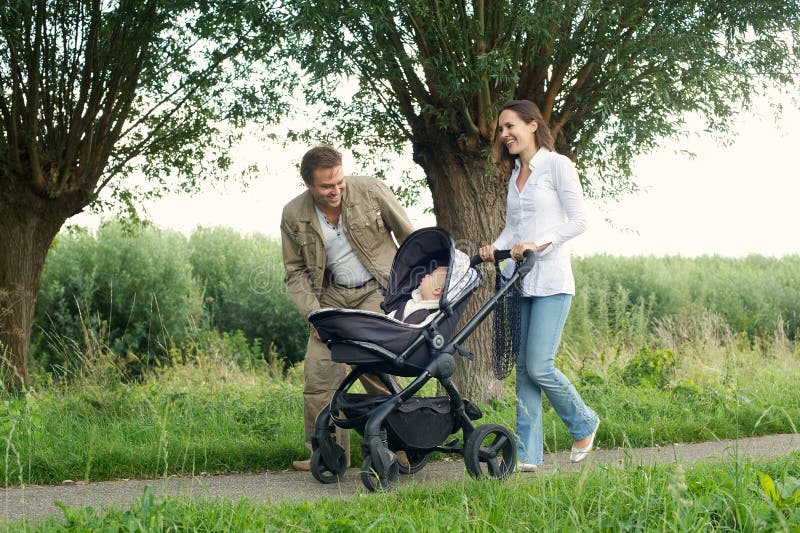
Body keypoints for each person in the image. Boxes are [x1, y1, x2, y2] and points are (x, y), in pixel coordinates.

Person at [478, 100, 600, 472]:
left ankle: (584, 422)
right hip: (521, 282)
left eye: (510, 126)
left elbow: (578, 221)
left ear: (533, 125)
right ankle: (527, 456)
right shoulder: (515, 176)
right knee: (523, 368)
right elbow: (514, 230)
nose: (504, 135)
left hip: (552, 281)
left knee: (540, 364)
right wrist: (493, 248)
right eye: (500, 129)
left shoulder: (558, 166)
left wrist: (537, 244)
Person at [280, 145, 414, 471]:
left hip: (376, 290)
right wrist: (313, 312)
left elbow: (409, 236)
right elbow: (294, 271)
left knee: (375, 367)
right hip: (330, 299)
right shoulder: (293, 214)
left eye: (339, 182)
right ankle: (327, 453)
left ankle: (400, 446)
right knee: (319, 373)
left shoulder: (371, 190)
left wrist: (420, 280)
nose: (336, 190)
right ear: (310, 186)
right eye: (326, 186)